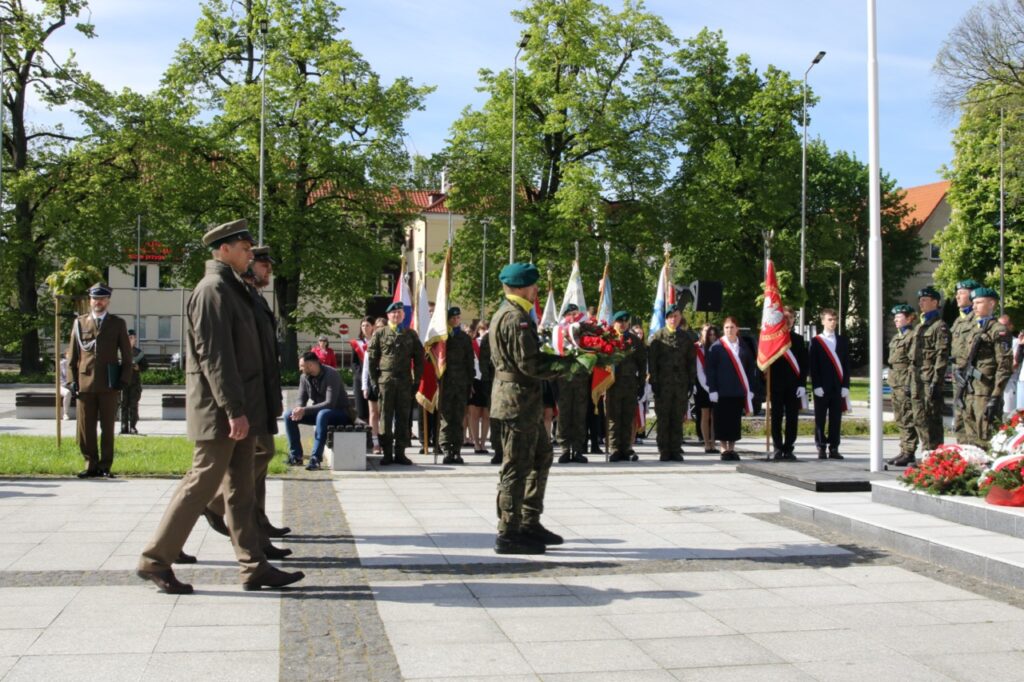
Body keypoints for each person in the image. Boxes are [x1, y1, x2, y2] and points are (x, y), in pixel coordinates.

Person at [137, 218, 303, 594]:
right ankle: (155, 560)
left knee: (241, 491)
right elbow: (216, 358)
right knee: (200, 485)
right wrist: (233, 409)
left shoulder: (234, 290)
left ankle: (253, 566)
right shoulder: (213, 289)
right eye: (245, 249)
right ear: (224, 249)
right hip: (221, 411)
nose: (251, 255)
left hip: (239, 408)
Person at [202, 246, 292, 557]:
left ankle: (257, 527)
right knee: (257, 455)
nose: (268, 272)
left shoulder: (254, 296)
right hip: (246, 394)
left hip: (260, 391)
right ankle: (214, 501)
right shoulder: (235, 294)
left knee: (258, 464)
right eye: (264, 266)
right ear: (248, 262)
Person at [490, 262, 566, 554]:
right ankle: (508, 532)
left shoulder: (517, 314)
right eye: (533, 286)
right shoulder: (514, 318)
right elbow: (529, 363)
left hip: (524, 400)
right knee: (517, 465)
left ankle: (528, 521)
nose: (536, 291)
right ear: (522, 287)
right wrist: (564, 366)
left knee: (541, 456)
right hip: (516, 401)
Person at [67, 282, 134, 479]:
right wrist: (71, 380)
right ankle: (90, 464)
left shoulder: (117, 323)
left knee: (107, 427)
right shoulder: (80, 323)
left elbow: (127, 356)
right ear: (90, 300)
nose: (99, 302)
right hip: (85, 383)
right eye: (96, 299)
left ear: (108, 301)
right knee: (85, 428)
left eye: (102, 299)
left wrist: (123, 379)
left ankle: (105, 466)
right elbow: (73, 355)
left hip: (109, 384)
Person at [368, 301, 424, 465]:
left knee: (403, 417)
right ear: (388, 316)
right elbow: (372, 359)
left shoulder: (411, 334)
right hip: (386, 381)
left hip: (405, 381)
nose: (396, 315)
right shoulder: (380, 334)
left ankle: (400, 453)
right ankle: (387, 453)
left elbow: (419, 358)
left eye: (399, 313)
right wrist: (374, 381)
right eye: (393, 313)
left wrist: (417, 379)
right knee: (385, 417)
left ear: (404, 315)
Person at [962, 287, 1013, 447]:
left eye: (979, 302)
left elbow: (1004, 366)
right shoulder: (973, 329)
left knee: (986, 437)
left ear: (991, 303)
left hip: (986, 391)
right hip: (970, 390)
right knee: (970, 438)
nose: (974, 306)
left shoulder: (999, 331)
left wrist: (996, 395)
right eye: (973, 303)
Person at [286, 352, 351, 470]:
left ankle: (315, 458)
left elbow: (329, 404)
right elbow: (301, 399)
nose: (300, 369)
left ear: (310, 365)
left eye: (301, 366)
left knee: (322, 414)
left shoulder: (331, 374)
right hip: (321, 414)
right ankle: (296, 456)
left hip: (339, 413)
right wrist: (298, 410)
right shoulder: (304, 377)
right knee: (288, 415)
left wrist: (304, 410)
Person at [647, 304, 695, 461]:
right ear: (666, 318)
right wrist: (654, 382)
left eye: (676, 316)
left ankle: (675, 449)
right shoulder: (658, 337)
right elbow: (652, 362)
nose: (674, 319)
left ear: (680, 318)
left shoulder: (686, 338)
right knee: (663, 418)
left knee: (677, 417)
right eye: (671, 317)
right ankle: (664, 449)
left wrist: (691, 382)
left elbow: (691, 361)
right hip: (663, 385)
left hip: (680, 384)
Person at [707, 316, 754, 461]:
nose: (729, 330)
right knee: (722, 420)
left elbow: (750, 368)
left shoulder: (744, 346)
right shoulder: (716, 347)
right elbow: (710, 370)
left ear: (737, 329)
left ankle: (732, 449)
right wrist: (712, 389)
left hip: (738, 390)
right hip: (721, 391)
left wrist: (750, 389)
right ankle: (723, 448)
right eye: (726, 327)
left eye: (732, 327)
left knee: (734, 421)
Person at [912, 286, 951, 452]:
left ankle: (933, 453)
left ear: (935, 302)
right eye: (920, 300)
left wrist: (936, 381)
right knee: (919, 417)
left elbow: (941, 356)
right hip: (918, 379)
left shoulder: (939, 326)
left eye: (925, 300)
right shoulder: (920, 326)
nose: (921, 303)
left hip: (930, 380)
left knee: (931, 419)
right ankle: (926, 451)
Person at [809, 308, 850, 460]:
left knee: (836, 419)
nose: (833, 322)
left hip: (837, 387)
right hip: (822, 387)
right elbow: (813, 366)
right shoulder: (817, 341)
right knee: (820, 418)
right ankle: (820, 447)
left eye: (834, 319)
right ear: (823, 321)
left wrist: (846, 385)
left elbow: (846, 365)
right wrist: (816, 385)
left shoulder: (842, 340)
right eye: (829, 320)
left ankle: (834, 447)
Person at [605, 311, 646, 462]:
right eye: (619, 321)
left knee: (628, 418)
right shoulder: (608, 339)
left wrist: (642, 385)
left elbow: (642, 363)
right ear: (614, 323)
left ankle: (627, 448)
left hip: (630, 385)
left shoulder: (634, 340)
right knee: (613, 418)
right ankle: (615, 448)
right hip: (612, 385)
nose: (622, 324)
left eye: (625, 321)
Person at [769, 307, 807, 461]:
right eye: (785, 317)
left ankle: (789, 448)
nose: (788, 320)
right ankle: (778, 447)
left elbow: (804, 364)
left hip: (793, 385)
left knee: (792, 418)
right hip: (776, 384)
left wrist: (802, 384)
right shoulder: (773, 338)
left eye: (791, 317)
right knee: (776, 417)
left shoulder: (798, 339)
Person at [439, 306, 475, 464]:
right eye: (453, 318)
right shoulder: (442, 338)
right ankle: (447, 449)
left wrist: (470, 382)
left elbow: (469, 361)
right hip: (446, 383)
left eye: (458, 318)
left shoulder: (465, 339)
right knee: (447, 418)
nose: (456, 320)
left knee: (459, 418)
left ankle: (457, 450)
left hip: (461, 383)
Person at [556, 304, 591, 464]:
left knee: (579, 415)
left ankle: (577, 449)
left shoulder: (585, 332)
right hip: (564, 380)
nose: (572, 317)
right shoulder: (558, 332)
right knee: (564, 415)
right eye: (569, 314)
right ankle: (564, 449)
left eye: (575, 314)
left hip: (581, 381)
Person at [887, 304, 921, 467]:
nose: (895, 320)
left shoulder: (912, 337)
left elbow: (912, 363)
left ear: (909, 318)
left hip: (904, 383)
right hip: (895, 383)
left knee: (907, 417)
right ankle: (903, 449)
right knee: (900, 418)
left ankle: (909, 451)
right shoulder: (897, 337)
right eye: (895, 318)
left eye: (899, 317)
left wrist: (908, 384)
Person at [950, 278, 981, 443]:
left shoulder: (977, 320)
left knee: (970, 415)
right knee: (960, 414)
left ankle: (973, 453)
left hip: (971, 376)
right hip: (958, 374)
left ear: (972, 295)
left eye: (961, 293)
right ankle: (962, 451)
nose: (957, 296)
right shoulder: (959, 320)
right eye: (957, 293)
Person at [362, 317, 387, 454]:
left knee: (385, 413)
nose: (379, 329)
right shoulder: (371, 344)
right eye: (377, 327)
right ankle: (375, 443)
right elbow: (366, 367)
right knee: (373, 413)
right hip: (373, 381)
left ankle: (385, 442)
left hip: (387, 382)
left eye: (382, 327)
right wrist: (364, 386)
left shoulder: (390, 343)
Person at [119, 329, 149, 435]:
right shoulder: (120, 352)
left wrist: (138, 367)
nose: (129, 340)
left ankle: (132, 426)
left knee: (133, 405)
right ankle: (123, 426)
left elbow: (145, 367)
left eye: (131, 338)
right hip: (123, 382)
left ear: (135, 339)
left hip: (134, 383)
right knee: (123, 405)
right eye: (127, 338)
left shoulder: (139, 353)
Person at [694, 324, 718, 454]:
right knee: (705, 414)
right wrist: (708, 389)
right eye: (706, 332)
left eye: (713, 334)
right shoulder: (697, 347)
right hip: (702, 386)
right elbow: (699, 371)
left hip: (715, 386)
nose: (710, 336)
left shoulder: (717, 347)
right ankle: (707, 443)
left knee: (715, 415)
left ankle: (714, 442)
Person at [468, 320, 491, 455]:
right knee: (474, 414)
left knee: (487, 414)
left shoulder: (493, 344)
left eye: (487, 328)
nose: (485, 331)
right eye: (482, 328)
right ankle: (476, 442)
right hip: (475, 379)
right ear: (478, 330)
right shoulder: (472, 344)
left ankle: (483, 442)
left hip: (488, 381)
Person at [350, 317, 374, 426]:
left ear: (372, 326)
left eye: (367, 325)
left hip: (374, 378)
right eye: (363, 325)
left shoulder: (377, 340)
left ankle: (374, 432)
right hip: (360, 379)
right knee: (361, 407)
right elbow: (354, 363)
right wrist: (361, 375)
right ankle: (363, 431)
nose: (365, 328)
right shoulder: (357, 343)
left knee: (374, 408)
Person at [1000, 314, 1017, 416]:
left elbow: (1014, 364)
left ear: (1010, 326)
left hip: (1009, 383)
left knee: (1008, 415)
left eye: (1004, 326)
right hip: (995, 383)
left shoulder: (1015, 342)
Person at [59, 351, 73, 420]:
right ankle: (65, 414)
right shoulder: (62, 364)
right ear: (66, 355)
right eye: (69, 354)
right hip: (62, 386)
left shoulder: (77, 363)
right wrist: (68, 384)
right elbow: (60, 378)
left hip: (74, 386)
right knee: (67, 393)